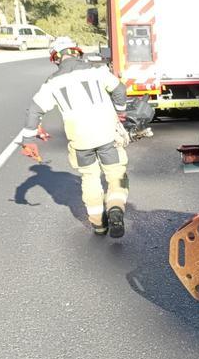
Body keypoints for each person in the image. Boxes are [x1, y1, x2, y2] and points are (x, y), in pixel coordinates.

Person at [20, 36, 130, 238]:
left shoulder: (52, 83)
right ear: (77, 52)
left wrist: (28, 140)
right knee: (116, 174)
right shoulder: (98, 71)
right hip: (107, 135)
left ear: (56, 58)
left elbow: (34, 110)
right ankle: (115, 208)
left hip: (80, 141)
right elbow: (120, 90)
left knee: (90, 178)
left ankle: (98, 225)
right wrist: (120, 111)